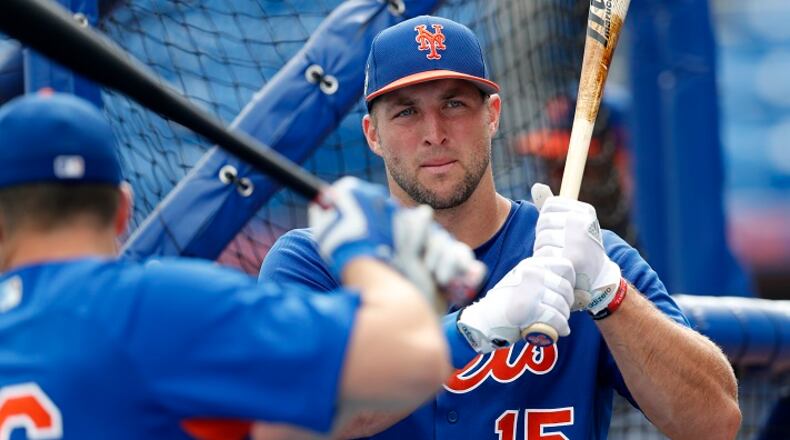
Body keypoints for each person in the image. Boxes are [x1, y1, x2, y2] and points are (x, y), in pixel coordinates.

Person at [258, 15, 741, 440]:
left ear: (492, 115)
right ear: (372, 135)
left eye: (454, 105)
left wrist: (609, 293)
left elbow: (715, 423)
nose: (434, 132)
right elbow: (289, 423)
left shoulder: (581, 252)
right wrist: (473, 329)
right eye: (406, 112)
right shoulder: (317, 261)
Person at [0, 91, 485, 439]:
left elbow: (279, 426)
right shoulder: (152, 307)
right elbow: (412, 360)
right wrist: (366, 250)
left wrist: (423, 293)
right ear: (124, 209)